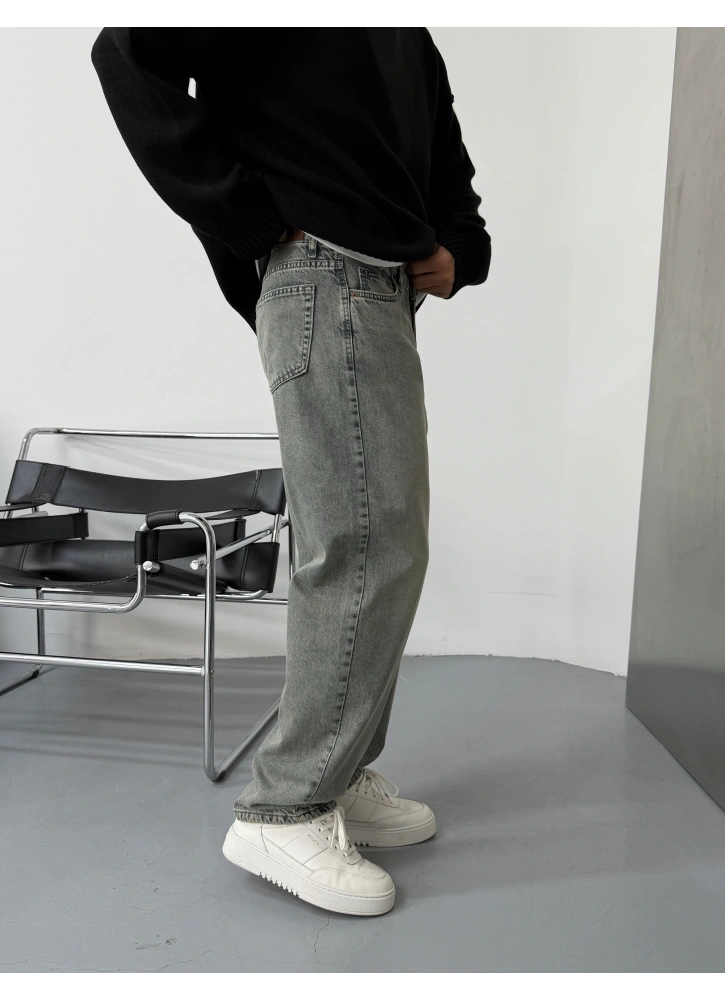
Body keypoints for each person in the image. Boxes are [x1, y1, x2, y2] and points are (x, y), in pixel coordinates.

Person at [91, 24, 491, 917]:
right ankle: (285, 806)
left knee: (385, 543)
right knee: (361, 547)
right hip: (322, 272)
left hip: (379, 289)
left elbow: (439, 143)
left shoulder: (406, 32)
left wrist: (460, 246)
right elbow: (126, 54)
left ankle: (333, 774)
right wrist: (248, 218)